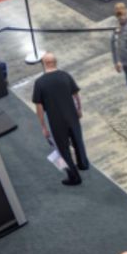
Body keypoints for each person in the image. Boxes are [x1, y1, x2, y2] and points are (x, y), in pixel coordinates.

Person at [32, 52, 88, 186]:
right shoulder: (65, 76)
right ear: (55, 62)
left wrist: (43, 127)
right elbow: (75, 95)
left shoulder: (39, 83)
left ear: (44, 64)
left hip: (56, 122)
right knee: (78, 141)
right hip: (72, 117)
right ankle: (83, 164)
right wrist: (79, 109)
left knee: (62, 150)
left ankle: (74, 177)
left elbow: (39, 107)